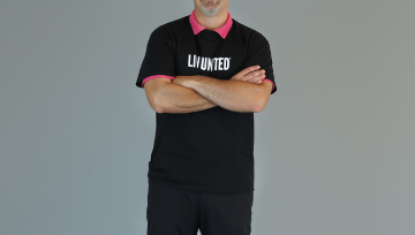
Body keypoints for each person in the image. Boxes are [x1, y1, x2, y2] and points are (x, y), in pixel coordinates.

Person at [135, 0, 277, 234]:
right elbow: (160, 99)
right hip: (171, 182)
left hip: (231, 183)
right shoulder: (166, 36)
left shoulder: (253, 42)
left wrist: (191, 80)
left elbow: (256, 100)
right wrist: (230, 90)